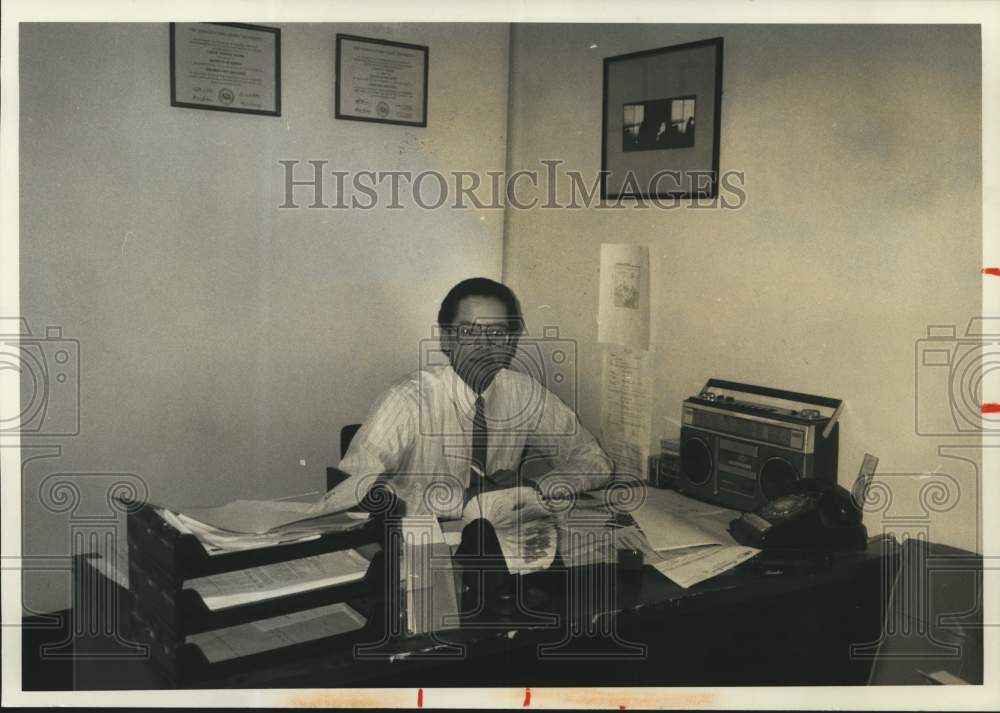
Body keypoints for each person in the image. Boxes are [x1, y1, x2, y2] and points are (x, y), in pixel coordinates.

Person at [312, 277, 613, 518]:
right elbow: (352, 489)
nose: (484, 346)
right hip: (413, 546)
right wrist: (465, 499)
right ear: (446, 339)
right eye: (469, 331)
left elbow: (593, 459)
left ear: (511, 342)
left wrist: (534, 487)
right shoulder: (407, 400)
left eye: (496, 333)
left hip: (496, 542)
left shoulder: (523, 392)